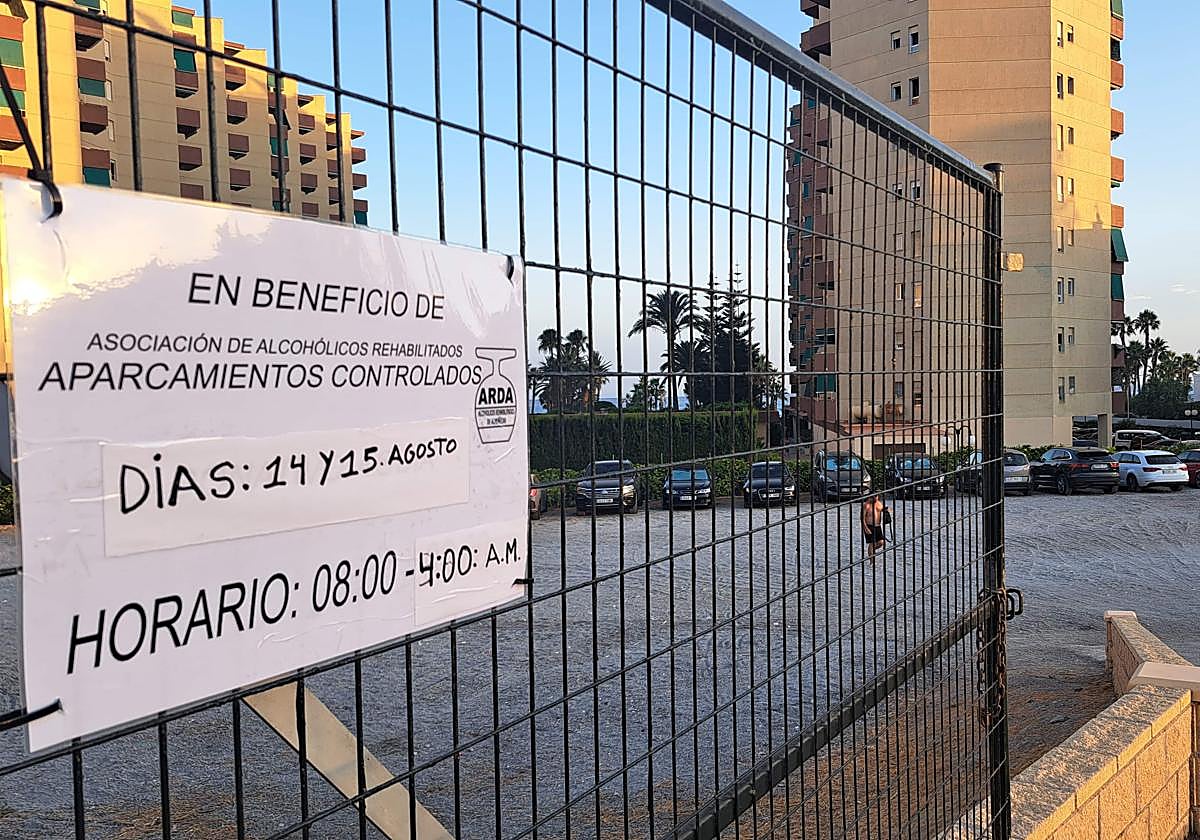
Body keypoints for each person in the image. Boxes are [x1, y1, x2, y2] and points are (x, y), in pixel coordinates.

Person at [861, 494, 889, 559]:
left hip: (878, 526)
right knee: (872, 543)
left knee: (881, 542)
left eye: (877, 497)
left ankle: (871, 552)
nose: (876, 499)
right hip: (869, 526)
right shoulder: (866, 505)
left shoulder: (879, 503)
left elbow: (884, 510)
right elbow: (862, 518)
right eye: (874, 497)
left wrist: (887, 511)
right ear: (870, 497)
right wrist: (866, 528)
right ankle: (872, 561)